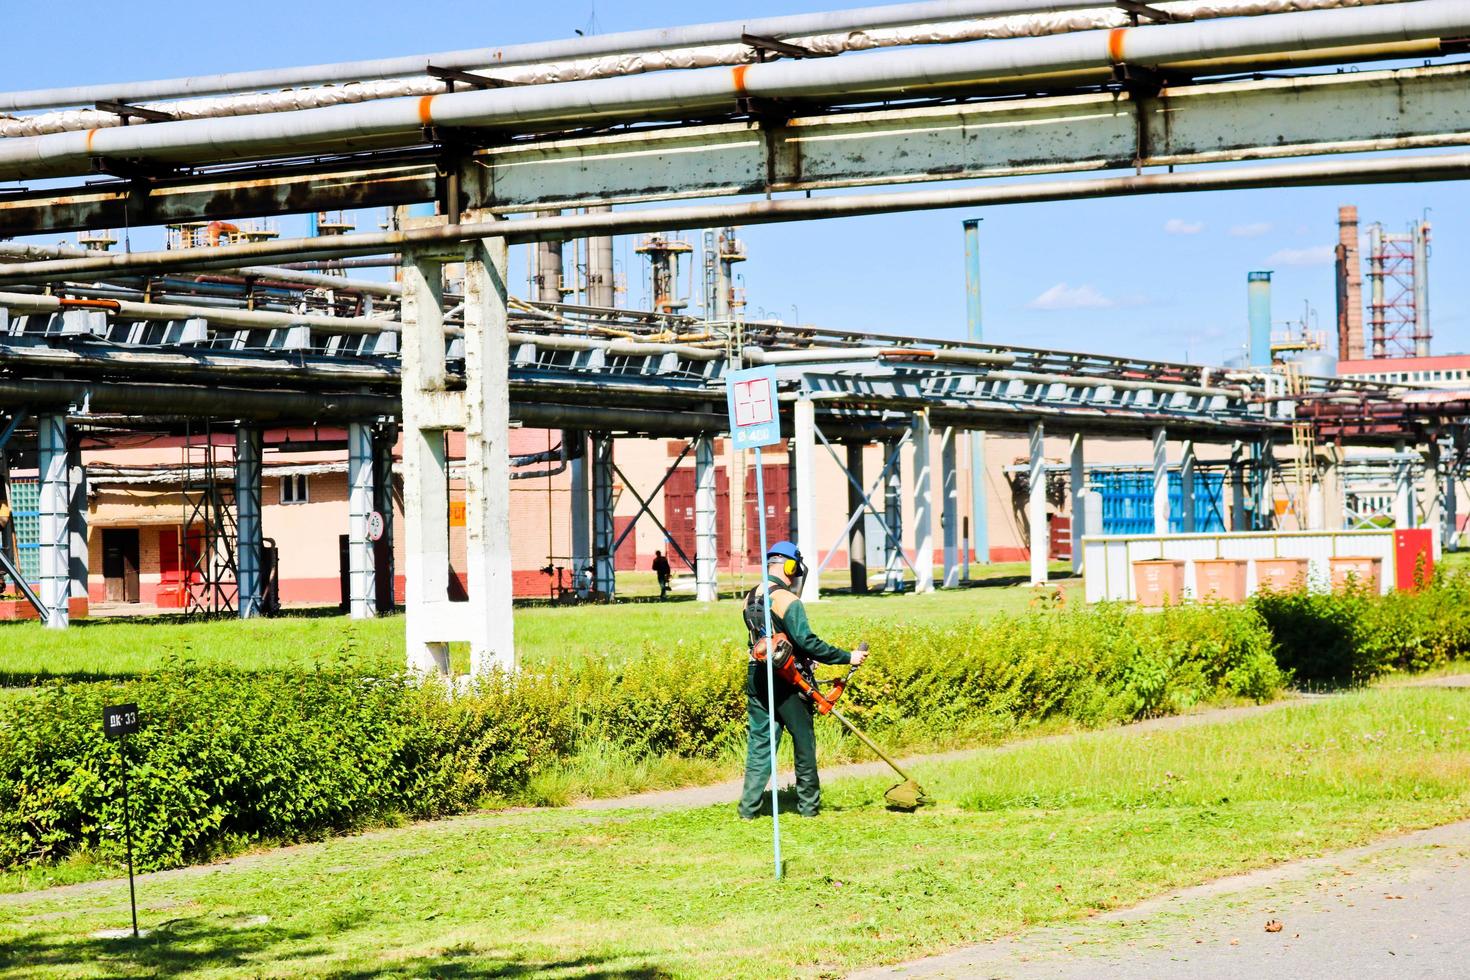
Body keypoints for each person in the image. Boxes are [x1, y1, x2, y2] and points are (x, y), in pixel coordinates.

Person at [738, 541, 867, 819]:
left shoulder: (749, 597)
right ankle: (808, 807)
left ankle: (748, 810)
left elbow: (764, 638)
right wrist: (848, 657)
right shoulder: (789, 601)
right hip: (787, 678)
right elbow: (807, 641)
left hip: (757, 674)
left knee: (761, 742)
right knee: (804, 741)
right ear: (790, 566)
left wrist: (799, 653)